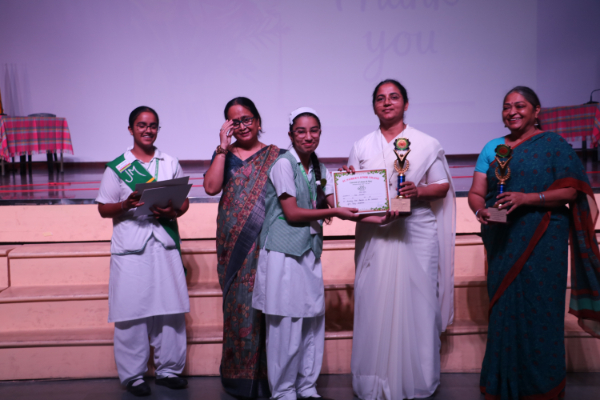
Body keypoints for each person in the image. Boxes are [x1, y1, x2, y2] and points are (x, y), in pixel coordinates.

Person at [468, 86, 600, 399]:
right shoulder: (492, 147)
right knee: (504, 309)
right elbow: (476, 192)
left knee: (541, 311)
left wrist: (528, 198)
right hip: (502, 237)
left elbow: (571, 191)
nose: (512, 112)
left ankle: (542, 387)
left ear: (536, 111)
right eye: (507, 106)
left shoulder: (552, 144)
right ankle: (503, 383)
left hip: (544, 239)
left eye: (520, 105)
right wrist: (480, 210)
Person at [347, 79, 456, 399]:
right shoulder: (362, 145)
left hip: (416, 229)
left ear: (405, 104)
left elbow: (442, 186)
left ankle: (417, 378)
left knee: (418, 301)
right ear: (374, 106)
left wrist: (417, 191)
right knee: (374, 298)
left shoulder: (425, 143)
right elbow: (353, 191)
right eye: (380, 98)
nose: (387, 102)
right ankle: (375, 378)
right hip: (376, 230)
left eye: (394, 97)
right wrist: (348, 184)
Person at [252, 107, 366, 400]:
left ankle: (306, 384)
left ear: (320, 133)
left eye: (313, 130)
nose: (308, 136)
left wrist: (351, 186)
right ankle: (283, 389)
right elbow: (292, 213)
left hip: (309, 250)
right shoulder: (283, 164)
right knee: (285, 322)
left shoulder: (319, 168)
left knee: (311, 318)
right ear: (291, 134)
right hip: (282, 252)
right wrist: (334, 211)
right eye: (301, 131)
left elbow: (334, 201)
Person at [96, 106, 190, 397]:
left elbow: (183, 203)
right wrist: (125, 204)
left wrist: (172, 210)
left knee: (170, 308)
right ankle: (133, 375)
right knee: (130, 310)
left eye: (153, 125)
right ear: (131, 129)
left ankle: (169, 370)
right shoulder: (118, 167)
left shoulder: (169, 162)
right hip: (131, 244)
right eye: (141, 125)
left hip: (163, 241)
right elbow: (103, 208)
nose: (148, 130)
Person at [204, 97, 282, 398]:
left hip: (267, 239)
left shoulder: (277, 156)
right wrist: (222, 148)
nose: (242, 126)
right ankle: (239, 379)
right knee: (238, 306)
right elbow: (211, 187)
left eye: (247, 119)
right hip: (233, 243)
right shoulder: (224, 154)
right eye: (234, 122)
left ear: (258, 121)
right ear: (227, 126)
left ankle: (271, 378)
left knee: (267, 305)